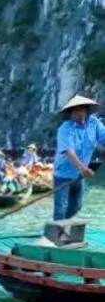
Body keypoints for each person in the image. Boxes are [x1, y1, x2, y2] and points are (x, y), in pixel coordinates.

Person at [52, 93, 104, 221]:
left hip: (79, 176)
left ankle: (65, 228)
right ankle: (56, 235)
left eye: (81, 109)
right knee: (60, 208)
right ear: (70, 114)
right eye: (75, 111)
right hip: (62, 175)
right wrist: (82, 168)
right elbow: (69, 151)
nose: (78, 114)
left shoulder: (94, 124)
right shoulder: (65, 129)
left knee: (77, 206)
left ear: (86, 109)